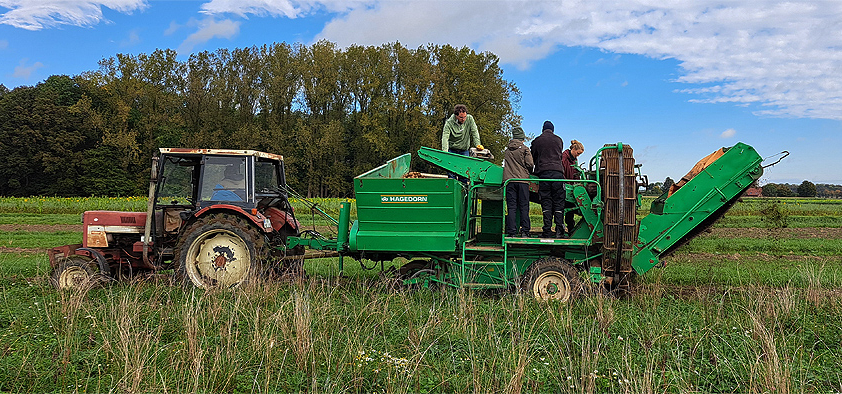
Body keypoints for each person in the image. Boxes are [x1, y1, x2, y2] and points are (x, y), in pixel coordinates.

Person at [530, 120, 566, 238]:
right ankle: (560, 231)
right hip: (558, 174)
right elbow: (559, 155)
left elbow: (533, 156)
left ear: (543, 129)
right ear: (553, 129)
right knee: (559, 202)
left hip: (543, 174)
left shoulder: (537, 141)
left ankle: (547, 231)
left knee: (546, 202)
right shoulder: (559, 140)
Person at [503, 126, 534, 237]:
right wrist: (528, 171)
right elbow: (530, 164)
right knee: (524, 206)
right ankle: (525, 231)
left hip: (509, 181)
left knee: (511, 207)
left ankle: (511, 232)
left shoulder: (507, 150)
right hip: (522, 180)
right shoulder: (525, 149)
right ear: (522, 138)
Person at [561, 140, 584, 236]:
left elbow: (575, 174)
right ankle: (560, 229)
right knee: (561, 208)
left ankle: (571, 228)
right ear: (573, 149)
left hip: (570, 186)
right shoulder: (563, 157)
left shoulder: (575, 161)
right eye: (578, 153)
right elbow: (561, 170)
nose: (578, 155)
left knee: (570, 208)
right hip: (563, 185)